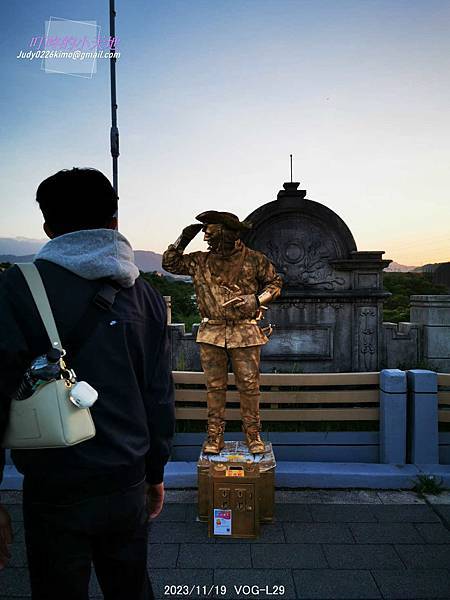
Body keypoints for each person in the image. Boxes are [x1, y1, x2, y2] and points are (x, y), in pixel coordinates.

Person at [0, 168, 175, 600]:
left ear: (47, 227)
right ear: (114, 221)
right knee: (132, 590)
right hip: (128, 479)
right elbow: (158, 395)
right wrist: (155, 471)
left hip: (54, 482)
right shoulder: (145, 294)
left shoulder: (17, 287)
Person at [162, 211, 282, 454]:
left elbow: (275, 283)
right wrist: (182, 240)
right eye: (205, 232)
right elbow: (170, 263)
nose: (205, 236)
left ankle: (253, 434)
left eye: (210, 231)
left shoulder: (255, 260)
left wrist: (256, 301)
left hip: (245, 332)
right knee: (214, 386)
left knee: (249, 386)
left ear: (227, 233)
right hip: (212, 331)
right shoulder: (199, 261)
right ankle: (214, 436)